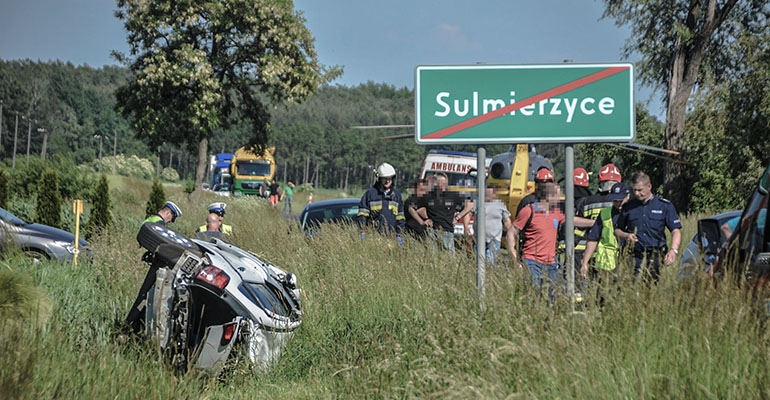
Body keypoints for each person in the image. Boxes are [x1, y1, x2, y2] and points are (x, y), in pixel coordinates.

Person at [614, 171, 682, 284]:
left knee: (652, 289)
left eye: (640, 190)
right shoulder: (628, 207)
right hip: (634, 257)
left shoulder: (664, 206)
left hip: (656, 258)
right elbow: (617, 230)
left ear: (649, 186)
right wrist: (626, 236)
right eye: (634, 190)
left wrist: (673, 251)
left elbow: (676, 230)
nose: (636, 193)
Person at [127, 201, 183, 334]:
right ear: (168, 213)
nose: (171, 221)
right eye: (172, 218)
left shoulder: (150, 219)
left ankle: (132, 326)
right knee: (147, 297)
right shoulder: (159, 225)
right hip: (157, 268)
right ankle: (132, 327)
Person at [511, 181, 565, 300]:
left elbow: (571, 221)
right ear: (549, 197)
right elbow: (512, 232)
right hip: (531, 262)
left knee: (553, 296)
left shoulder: (556, 213)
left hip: (551, 263)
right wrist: (514, 258)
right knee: (532, 294)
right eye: (558, 194)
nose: (561, 198)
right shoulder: (529, 211)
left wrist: (596, 223)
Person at [580, 182, 630, 305]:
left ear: (628, 196)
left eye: (620, 200)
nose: (618, 204)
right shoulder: (604, 214)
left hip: (628, 263)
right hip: (605, 265)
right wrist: (585, 262)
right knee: (602, 299)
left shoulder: (634, 213)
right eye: (615, 201)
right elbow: (593, 238)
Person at [417, 172, 472, 255]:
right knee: (433, 257)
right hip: (432, 231)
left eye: (445, 183)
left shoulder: (453, 195)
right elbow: (414, 208)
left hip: (447, 231)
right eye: (441, 183)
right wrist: (424, 220)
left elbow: (470, 205)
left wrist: (458, 217)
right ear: (435, 183)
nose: (444, 185)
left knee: (449, 257)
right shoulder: (428, 196)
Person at [356, 162, 406, 238]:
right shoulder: (370, 194)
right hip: (373, 237)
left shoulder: (396, 195)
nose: (387, 181)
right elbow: (362, 215)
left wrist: (400, 235)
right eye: (384, 178)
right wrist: (362, 231)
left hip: (392, 237)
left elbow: (400, 217)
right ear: (379, 179)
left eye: (389, 178)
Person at [474, 186, 517, 266]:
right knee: (479, 263)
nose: (487, 195)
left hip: (494, 239)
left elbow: (507, 220)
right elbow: (469, 214)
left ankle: (489, 276)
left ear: (495, 194)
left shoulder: (500, 205)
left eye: (490, 194)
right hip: (479, 239)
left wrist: (511, 232)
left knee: (490, 262)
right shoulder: (478, 203)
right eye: (486, 193)